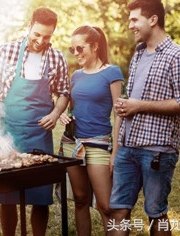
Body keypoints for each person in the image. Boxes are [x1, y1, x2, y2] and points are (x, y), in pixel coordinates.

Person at [109, 0, 180, 236]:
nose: (130, 25)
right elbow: (133, 98)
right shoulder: (137, 55)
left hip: (157, 151)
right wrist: (125, 107)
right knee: (118, 212)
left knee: (156, 214)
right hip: (127, 147)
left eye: (135, 19)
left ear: (153, 19)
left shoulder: (177, 55)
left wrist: (139, 106)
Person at [0, 7, 70, 236]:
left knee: (41, 196)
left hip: (40, 134)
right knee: (7, 194)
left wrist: (54, 114)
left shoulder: (56, 57)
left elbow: (63, 92)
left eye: (47, 36)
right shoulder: (7, 51)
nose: (41, 41)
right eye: (37, 34)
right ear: (29, 26)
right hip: (9, 132)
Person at [57, 25, 124, 235]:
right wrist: (62, 114)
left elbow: (119, 113)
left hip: (98, 144)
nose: (76, 54)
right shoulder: (76, 75)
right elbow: (72, 106)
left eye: (80, 48)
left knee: (106, 205)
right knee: (80, 200)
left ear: (94, 46)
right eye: (72, 50)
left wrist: (115, 152)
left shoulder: (112, 72)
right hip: (72, 144)